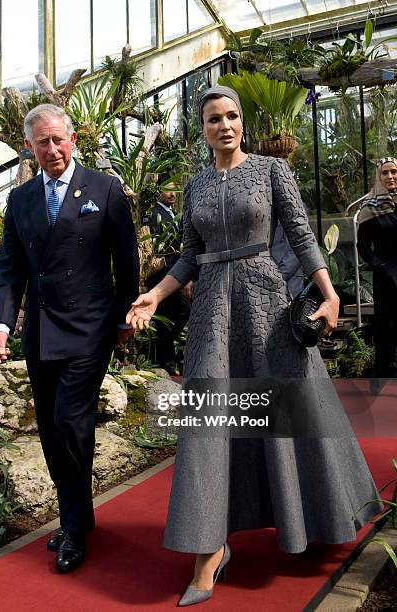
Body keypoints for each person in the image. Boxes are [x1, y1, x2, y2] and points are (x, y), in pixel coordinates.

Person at [127, 86, 381, 607]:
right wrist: (153, 294)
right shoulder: (195, 185)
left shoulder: (271, 171)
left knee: (293, 407)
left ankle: (317, 515)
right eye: (214, 119)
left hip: (266, 302)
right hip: (212, 316)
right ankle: (208, 549)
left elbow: (303, 235)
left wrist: (330, 295)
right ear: (201, 128)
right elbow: (188, 258)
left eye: (233, 116)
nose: (225, 125)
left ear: (242, 121)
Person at [0, 104, 139, 573]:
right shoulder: (21, 200)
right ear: (29, 148)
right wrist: (0, 322)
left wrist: (120, 320)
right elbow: (11, 268)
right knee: (52, 430)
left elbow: (127, 263)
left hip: (89, 329)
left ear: (72, 140)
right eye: (41, 143)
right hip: (41, 332)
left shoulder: (105, 188)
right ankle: (77, 513)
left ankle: (73, 527)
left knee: (72, 422)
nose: (51, 150)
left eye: (58, 140)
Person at [357, 157, 397, 388]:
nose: (390, 177)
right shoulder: (369, 207)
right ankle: (380, 382)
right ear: (378, 177)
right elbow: (362, 246)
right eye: (385, 173)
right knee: (387, 329)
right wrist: (379, 266)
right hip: (387, 276)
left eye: (394, 172)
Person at [144, 181, 192, 373]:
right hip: (163, 277)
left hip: (175, 274)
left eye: (174, 189)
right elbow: (160, 250)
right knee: (167, 317)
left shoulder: (174, 215)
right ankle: (165, 360)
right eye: (167, 189)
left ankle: (159, 351)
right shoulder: (155, 215)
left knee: (182, 313)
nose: (172, 194)